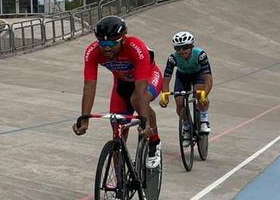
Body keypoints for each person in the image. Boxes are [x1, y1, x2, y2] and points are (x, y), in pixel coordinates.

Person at [73, 16, 164, 177]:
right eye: (103, 43)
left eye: (112, 44)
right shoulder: (93, 52)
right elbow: (89, 86)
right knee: (117, 132)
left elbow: (141, 89)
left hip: (148, 78)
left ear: (123, 39)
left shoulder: (136, 47)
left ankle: (154, 143)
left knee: (137, 99)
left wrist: (144, 121)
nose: (106, 48)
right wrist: (84, 119)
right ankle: (119, 184)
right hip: (121, 84)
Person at [159, 31, 212, 133]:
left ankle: (204, 121)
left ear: (192, 46)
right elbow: (166, 79)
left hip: (198, 75)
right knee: (179, 104)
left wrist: (205, 94)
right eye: (178, 48)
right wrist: (164, 96)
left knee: (200, 94)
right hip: (182, 77)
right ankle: (187, 126)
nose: (182, 51)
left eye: (185, 47)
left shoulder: (200, 55)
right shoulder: (172, 58)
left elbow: (208, 78)